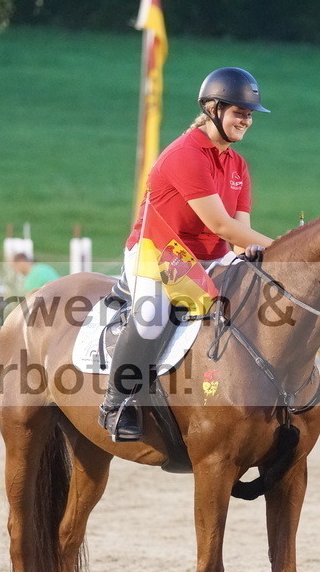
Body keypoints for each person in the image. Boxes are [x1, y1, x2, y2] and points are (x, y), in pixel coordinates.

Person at [99, 67, 274, 441]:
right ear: (213, 109)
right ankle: (117, 402)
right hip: (159, 251)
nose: (246, 120)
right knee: (152, 316)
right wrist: (283, 251)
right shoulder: (185, 154)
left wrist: (266, 260)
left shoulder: (238, 166)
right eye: (238, 112)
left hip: (211, 256)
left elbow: (239, 236)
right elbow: (221, 225)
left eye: (249, 114)